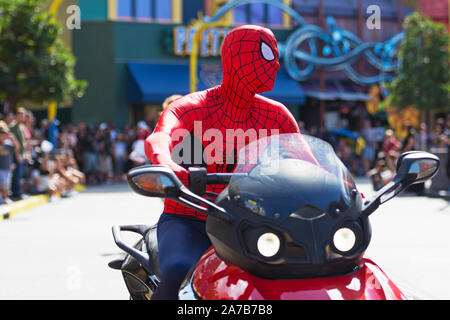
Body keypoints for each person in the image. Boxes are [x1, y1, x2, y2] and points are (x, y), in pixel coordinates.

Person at [144, 25, 301, 300]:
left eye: (277, 55)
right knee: (177, 269)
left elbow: (306, 160)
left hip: (252, 222)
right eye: (266, 53)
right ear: (237, 57)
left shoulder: (278, 116)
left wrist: (340, 189)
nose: (275, 64)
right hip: (190, 217)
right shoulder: (191, 107)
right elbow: (159, 138)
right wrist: (168, 164)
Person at [9, 107, 29, 200]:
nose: (22, 117)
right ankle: (16, 193)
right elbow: (13, 143)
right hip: (17, 155)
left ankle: (19, 192)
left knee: (21, 175)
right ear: (16, 116)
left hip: (23, 154)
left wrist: (27, 153)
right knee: (16, 175)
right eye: (20, 115)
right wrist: (17, 155)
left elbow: (23, 142)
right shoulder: (12, 127)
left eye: (23, 115)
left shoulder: (22, 126)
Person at [0, 122, 20, 204]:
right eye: (2, 134)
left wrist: (13, 138)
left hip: (7, 167)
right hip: (0, 167)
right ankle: (2, 198)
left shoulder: (9, 143)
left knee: (6, 184)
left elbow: (17, 147)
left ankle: (5, 198)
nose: (4, 135)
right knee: (2, 183)